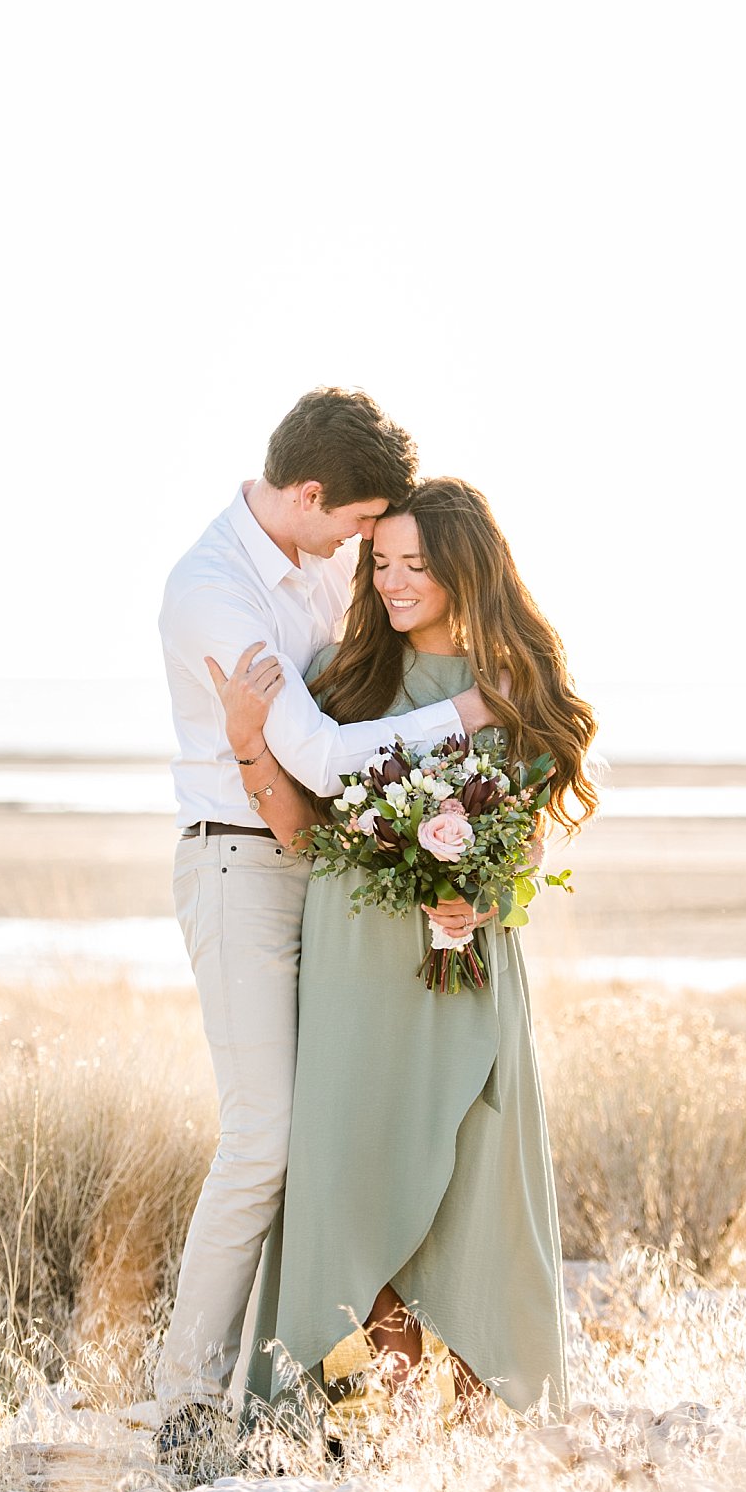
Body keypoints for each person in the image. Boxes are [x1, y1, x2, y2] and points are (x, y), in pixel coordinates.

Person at [154, 393, 501, 1470]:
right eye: (357, 523)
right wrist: (467, 713)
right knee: (263, 1132)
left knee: (329, 1137)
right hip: (238, 863)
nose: (368, 548)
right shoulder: (216, 591)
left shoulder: (313, 566)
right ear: (310, 495)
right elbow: (328, 756)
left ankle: (316, 1379)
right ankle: (178, 1398)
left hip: (323, 873)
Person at [216, 476, 598, 1436]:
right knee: (354, 1193)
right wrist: (250, 750)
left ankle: (484, 1450)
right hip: (352, 977)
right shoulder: (346, 679)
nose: (391, 582)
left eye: (414, 565)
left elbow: (528, 853)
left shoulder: (515, 688)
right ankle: (364, 1437)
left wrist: (484, 891)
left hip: (464, 979)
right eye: (379, 562)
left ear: (465, 567)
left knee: (477, 1200)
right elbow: (303, 835)